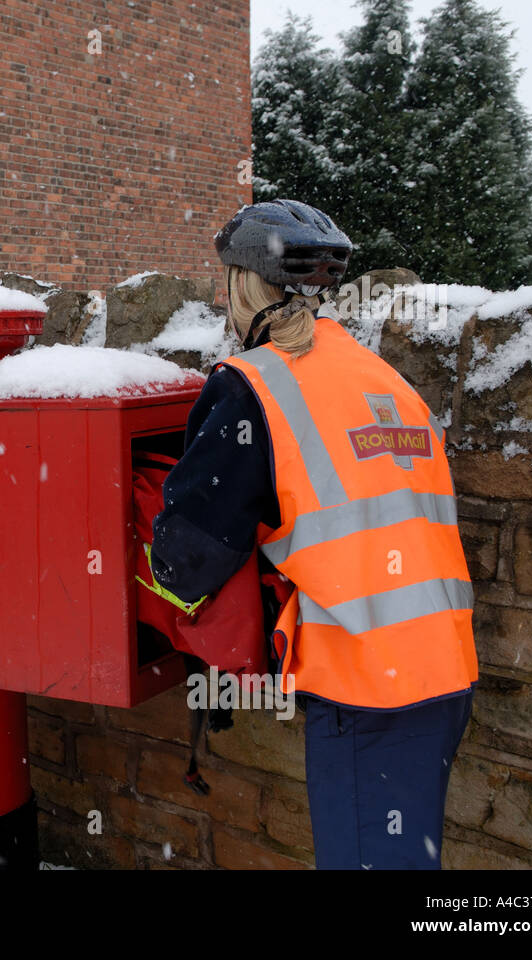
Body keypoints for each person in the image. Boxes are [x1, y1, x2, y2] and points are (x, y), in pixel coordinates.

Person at [150, 199, 478, 869]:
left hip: (369, 682)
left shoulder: (252, 388)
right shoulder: (376, 376)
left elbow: (185, 561)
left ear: (242, 285)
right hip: (443, 666)